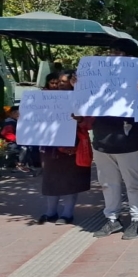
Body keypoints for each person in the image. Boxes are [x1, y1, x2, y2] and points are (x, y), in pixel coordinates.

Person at [91, 43, 138, 240]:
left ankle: (137, 220)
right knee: (108, 183)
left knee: (132, 183)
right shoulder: (99, 76)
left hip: (130, 138)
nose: (112, 55)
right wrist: (79, 86)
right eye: (112, 51)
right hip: (102, 137)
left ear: (130, 58)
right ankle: (112, 219)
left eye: (118, 52)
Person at [40, 75, 93, 225]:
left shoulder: (81, 99)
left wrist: (80, 119)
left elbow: (89, 123)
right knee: (51, 179)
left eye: (64, 82)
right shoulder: (43, 99)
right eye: (56, 82)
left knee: (70, 180)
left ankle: (67, 213)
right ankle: (50, 212)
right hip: (50, 146)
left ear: (73, 82)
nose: (59, 85)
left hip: (72, 146)